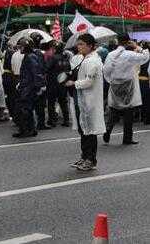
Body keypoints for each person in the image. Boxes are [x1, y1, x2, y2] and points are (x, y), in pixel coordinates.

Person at [66, 34, 105, 171]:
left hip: (90, 101)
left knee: (90, 131)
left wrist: (73, 83)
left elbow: (89, 81)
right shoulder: (83, 59)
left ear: (90, 46)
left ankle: (91, 160)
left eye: (82, 44)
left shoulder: (93, 61)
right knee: (84, 130)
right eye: (78, 44)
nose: (79, 46)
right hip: (83, 100)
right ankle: (84, 157)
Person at [103, 34, 149, 145]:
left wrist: (111, 80)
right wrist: (137, 46)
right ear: (128, 42)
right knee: (128, 112)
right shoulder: (130, 54)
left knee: (114, 110)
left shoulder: (110, 55)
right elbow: (145, 56)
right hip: (128, 85)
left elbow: (106, 70)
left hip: (115, 85)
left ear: (118, 41)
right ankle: (127, 138)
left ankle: (108, 130)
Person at [13, 37, 45, 138]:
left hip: (28, 88)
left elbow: (36, 72)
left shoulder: (30, 57)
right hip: (26, 86)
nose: (20, 49)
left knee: (24, 109)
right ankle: (29, 129)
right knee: (26, 109)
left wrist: (39, 87)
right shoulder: (29, 56)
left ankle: (27, 130)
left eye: (21, 46)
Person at [45, 40, 71, 127]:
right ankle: (66, 120)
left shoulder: (53, 58)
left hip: (53, 83)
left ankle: (52, 121)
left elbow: (47, 68)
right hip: (63, 83)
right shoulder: (66, 58)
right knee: (63, 102)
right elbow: (68, 69)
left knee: (51, 103)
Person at [30, 32, 50, 130]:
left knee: (32, 104)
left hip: (30, 82)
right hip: (38, 81)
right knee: (40, 105)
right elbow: (42, 68)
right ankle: (40, 123)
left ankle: (32, 124)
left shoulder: (27, 53)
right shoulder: (39, 53)